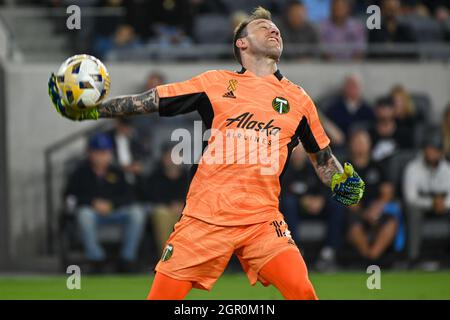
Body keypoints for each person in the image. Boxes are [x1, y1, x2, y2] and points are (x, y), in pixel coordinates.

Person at [49, 7, 365, 300]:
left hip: (262, 221)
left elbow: (321, 157)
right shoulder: (215, 83)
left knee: (302, 290)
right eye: (262, 26)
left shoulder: (299, 99)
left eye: (275, 27)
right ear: (241, 44)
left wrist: (339, 180)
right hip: (205, 219)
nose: (273, 29)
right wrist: (93, 112)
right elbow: (149, 101)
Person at [64, 133, 146, 273]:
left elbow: (129, 196)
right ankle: (96, 259)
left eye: (105, 152)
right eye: (98, 152)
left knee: (137, 212)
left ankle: (127, 259)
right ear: (90, 153)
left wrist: (111, 204)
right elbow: (70, 197)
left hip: (114, 212)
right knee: (84, 214)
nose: (102, 156)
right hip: (92, 213)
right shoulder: (80, 173)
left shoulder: (117, 172)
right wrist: (92, 203)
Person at [345, 129, 404, 264]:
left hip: (376, 209)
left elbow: (387, 192)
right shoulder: (344, 167)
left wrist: (377, 208)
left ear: (370, 145)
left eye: (363, 142)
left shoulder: (378, 166)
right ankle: (367, 255)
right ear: (351, 145)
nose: (360, 145)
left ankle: (373, 256)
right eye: (357, 142)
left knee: (391, 223)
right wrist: (362, 212)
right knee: (354, 227)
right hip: (356, 210)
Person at [403, 130, 450, 263]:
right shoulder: (412, 168)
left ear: (441, 152)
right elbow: (410, 198)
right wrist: (432, 203)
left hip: (443, 208)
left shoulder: (447, 170)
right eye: (428, 149)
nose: (431, 153)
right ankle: (413, 258)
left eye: (434, 150)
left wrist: (443, 204)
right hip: (421, 207)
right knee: (413, 211)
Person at [143, 144, 188, 254]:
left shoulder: (188, 176)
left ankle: (188, 256)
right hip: (163, 210)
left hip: (184, 210)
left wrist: (181, 205)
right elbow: (151, 196)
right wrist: (169, 205)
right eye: (169, 156)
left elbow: (194, 196)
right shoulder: (155, 176)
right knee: (161, 212)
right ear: (163, 158)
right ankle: (166, 256)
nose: (173, 159)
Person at [325, 74, 374, 138]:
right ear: (344, 88)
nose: (353, 89)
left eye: (355, 86)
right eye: (350, 86)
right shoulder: (333, 109)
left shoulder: (368, 110)